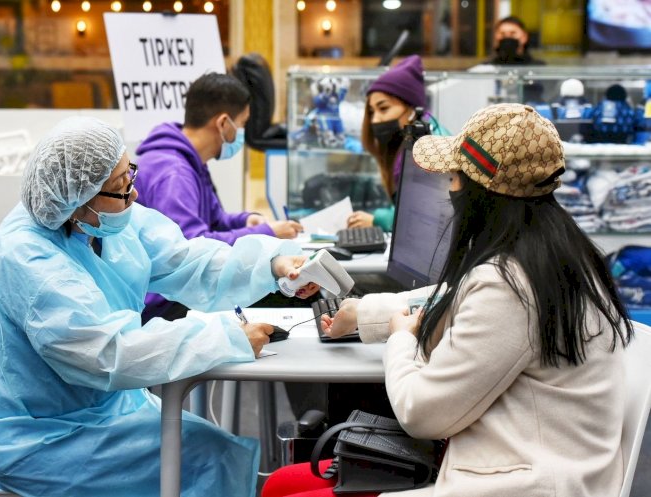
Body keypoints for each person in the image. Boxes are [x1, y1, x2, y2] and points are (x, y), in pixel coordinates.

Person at [264, 103, 634, 497]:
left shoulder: (510, 284)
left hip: (521, 483)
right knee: (282, 484)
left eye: (455, 178)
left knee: (282, 490)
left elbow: (421, 413)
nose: (450, 189)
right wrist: (362, 313)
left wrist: (400, 339)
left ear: (483, 194)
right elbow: (454, 295)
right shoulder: (552, 253)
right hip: (519, 457)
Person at [0, 116, 320, 497]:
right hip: (36, 437)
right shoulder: (28, 258)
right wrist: (224, 338)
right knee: (210, 456)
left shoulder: (103, 220)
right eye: (119, 186)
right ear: (78, 201)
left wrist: (272, 264)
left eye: (128, 174)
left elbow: (186, 261)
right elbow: (108, 353)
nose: (132, 194)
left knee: (208, 448)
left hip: (102, 411)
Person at [134, 72, 304, 321]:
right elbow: (192, 250)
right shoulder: (174, 173)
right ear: (224, 123)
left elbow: (214, 219)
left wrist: (246, 221)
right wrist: (266, 232)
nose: (243, 133)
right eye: (243, 124)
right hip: (166, 304)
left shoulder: (190, 161)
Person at [347, 55, 449, 232]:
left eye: (384, 108)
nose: (375, 119)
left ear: (411, 108)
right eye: (371, 112)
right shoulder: (406, 142)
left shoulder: (431, 145)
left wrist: (377, 219)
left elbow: (428, 214)